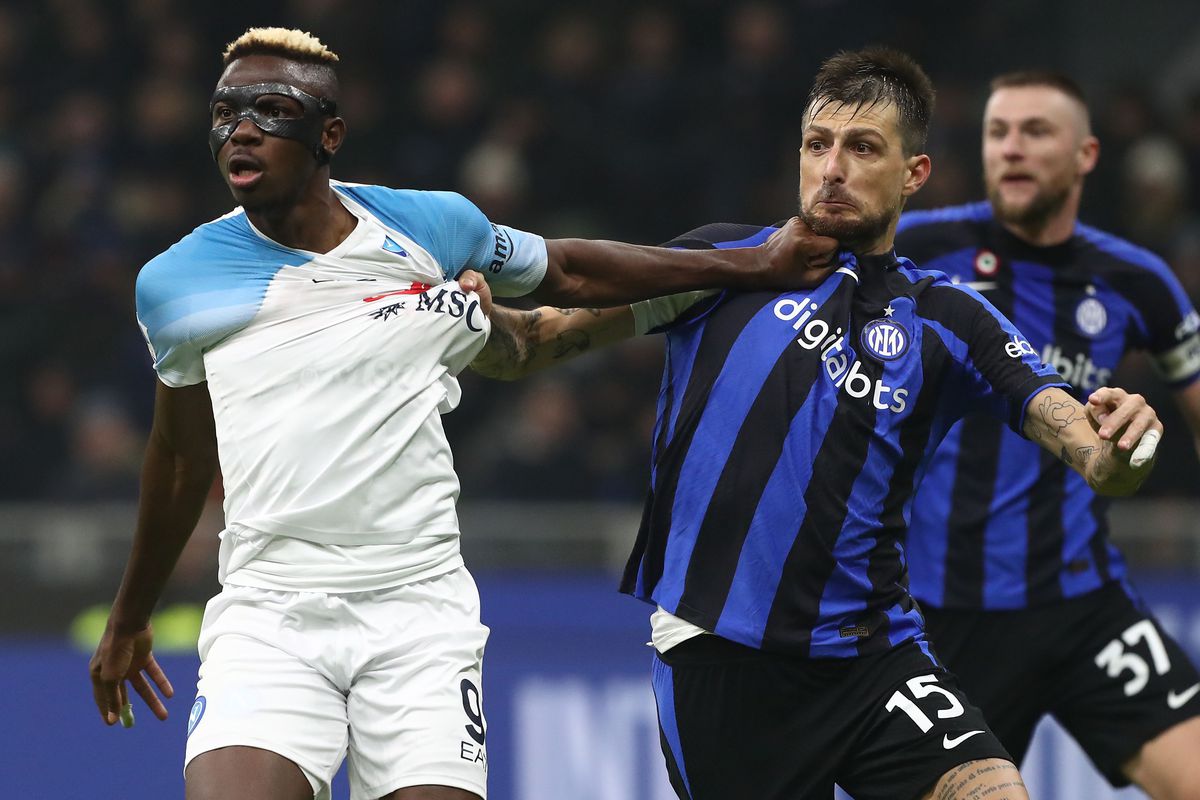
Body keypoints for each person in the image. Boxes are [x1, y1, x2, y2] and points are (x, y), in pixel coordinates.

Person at [86, 27, 838, 800]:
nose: (241, 131)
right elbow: (179, 458)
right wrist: (130, 616)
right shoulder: (177, 284)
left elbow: (568, 274)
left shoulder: (433, 228)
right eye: (225, 112)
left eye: (271, 110)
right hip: (270, 612)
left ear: (329, 135)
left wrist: (750, 264)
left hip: (418, 610)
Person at [469, 48, 1167, 800]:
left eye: (862, 148)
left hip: (874, 657)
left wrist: (1125, 443)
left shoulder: (950, 318)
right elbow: (530, 345)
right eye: (817, 144)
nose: (832, 168)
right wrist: (468, 316)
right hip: (720, 657)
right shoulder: (721, 261)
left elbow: (1092, 452)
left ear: (914, 174)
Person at [892, 71, 1200, 798]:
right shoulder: (918, 248)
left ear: (1086, 154)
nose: (1012, 148)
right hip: (940, 624)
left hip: (1082, 605)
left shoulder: (1136, 279)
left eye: (1036, 132)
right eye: (998, 132)